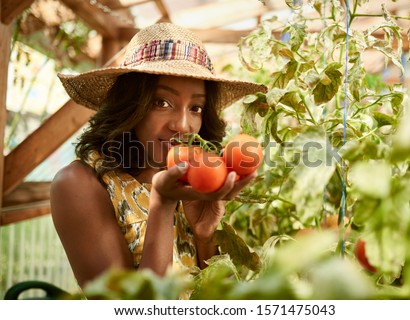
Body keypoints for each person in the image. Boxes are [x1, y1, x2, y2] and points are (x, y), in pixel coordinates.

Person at [50, 22, 267, 289]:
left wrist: (204, 235)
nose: (183, 125)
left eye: (196, 107)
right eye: (162, 103)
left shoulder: (192, 180)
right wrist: (162, 206)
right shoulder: (79, 184)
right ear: (129, 105)